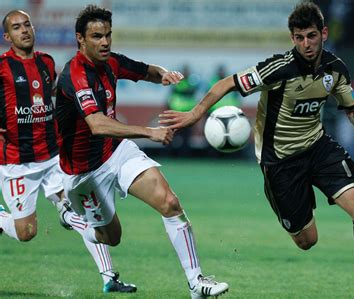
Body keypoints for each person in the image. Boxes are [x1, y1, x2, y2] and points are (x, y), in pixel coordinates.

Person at [160, 2, 354, 299]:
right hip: (279, 161)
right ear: (292, 38)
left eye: (311, 36)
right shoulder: (279, 68)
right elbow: (226, 84)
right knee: (307, 241)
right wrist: (194, 114)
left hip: (318, 147)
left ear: (323, 33)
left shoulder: (335, 69)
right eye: (299, 37)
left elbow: (351, 107)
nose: (306, 44)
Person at [54, 5, 228, 298]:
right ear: (80, 39)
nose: (105, 42)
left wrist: (164, 74)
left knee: (170, 203)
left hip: (116, 152)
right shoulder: (75, 76)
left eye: (108, 35)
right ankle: (70, 216)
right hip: (83, 174)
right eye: (97, 36)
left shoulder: (111, 63)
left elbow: (144, 71)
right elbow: (97, 124)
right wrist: (149, 132)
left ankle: (196, 283)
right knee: (110, 237)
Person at [0, 10, 136, 293]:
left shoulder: (47, 63)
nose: (24, 30)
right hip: (17, 162)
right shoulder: (1, 68)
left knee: (85, 211)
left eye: (27, 24)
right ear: (7, 36)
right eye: (16, 27)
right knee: (26, 233)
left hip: (53, 156)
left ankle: (109, 277)